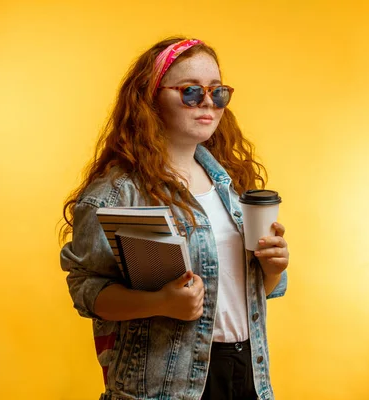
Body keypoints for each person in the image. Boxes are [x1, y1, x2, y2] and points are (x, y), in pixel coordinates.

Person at [59, 37, 289, 400]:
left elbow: (253, 288)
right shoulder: (120, 193)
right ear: (150, 99)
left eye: (218, 93)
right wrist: (161, 303)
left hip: (249, 376)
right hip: (167, 386)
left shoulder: (230, 183)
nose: (209, 104)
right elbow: (88, 291)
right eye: (191, 92)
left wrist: (273, 267)